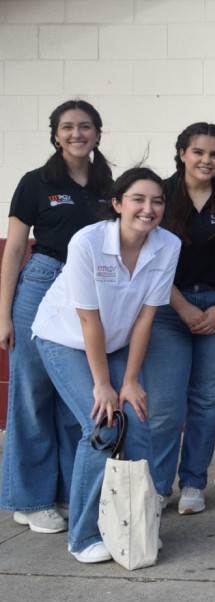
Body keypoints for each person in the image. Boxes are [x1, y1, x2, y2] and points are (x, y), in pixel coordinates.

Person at [31, 166, 180, 563]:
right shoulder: (88, 241)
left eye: (158, 201)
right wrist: (104, 385)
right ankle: (82, 537)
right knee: (102, 426)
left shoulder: (168, 245)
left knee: (138, 420)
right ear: (117, 204)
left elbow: (146, 317)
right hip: (65, 338)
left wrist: (130, 381)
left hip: (116, 341)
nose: (148, 209)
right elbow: (87, 320)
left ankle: (132, 525)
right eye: (138, 199)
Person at [1, 100, 113, 534]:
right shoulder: (36, 183)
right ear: (55, 135)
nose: (76, 133)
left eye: (85, 126)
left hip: (89, 293)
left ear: (98, 134)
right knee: (31, 394)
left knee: (74, 397)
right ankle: (28, 499)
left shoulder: (108, 186)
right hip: (43, 282)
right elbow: (13, 249)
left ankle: (67, 490)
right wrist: (4, 314)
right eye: (67, 127)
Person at [141, 123, 215, 515]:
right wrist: (182, 306)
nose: (206, 160)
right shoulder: (161, 196)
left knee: (207, 402)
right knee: (165, 406)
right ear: (181, 154)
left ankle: (192, 482)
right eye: (198, 152)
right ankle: (157, 487)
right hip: (166, 308)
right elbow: (149, 259)